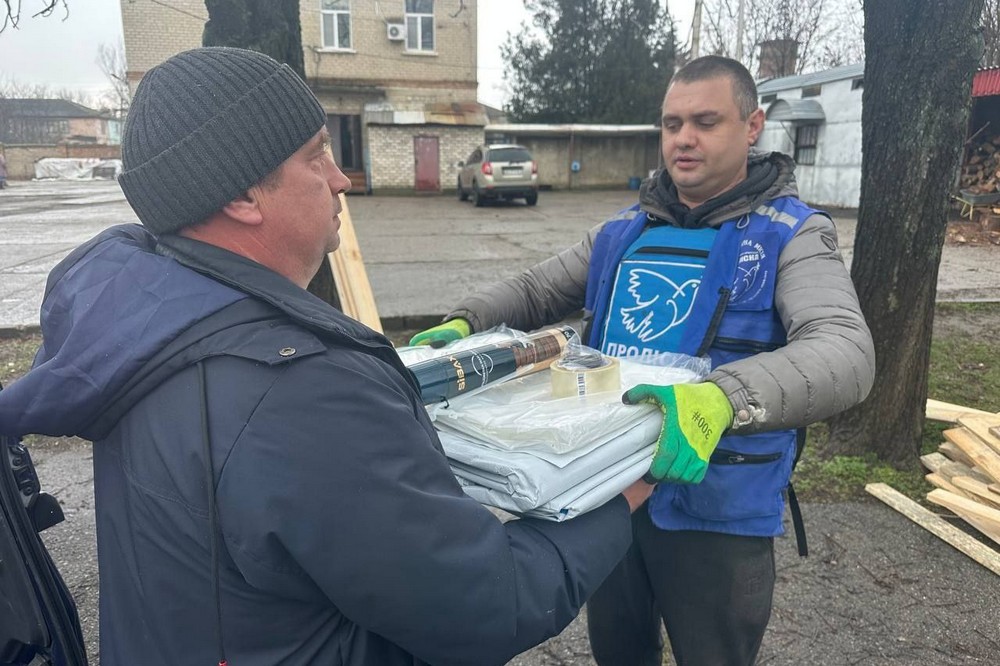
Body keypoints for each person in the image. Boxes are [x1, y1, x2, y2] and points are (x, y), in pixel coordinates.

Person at [0, 47, 655, 666]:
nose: (342, 179)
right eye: (316, 157)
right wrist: (628, 487)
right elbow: (491, 604)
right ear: (241, 197)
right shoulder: (301, 388)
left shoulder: (140, 332)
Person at [410, 55, 876, 665]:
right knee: (618, 653)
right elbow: (534, 291)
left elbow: (844, 350)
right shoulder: (622, 232)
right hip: (610, 493)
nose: (683, 139)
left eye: (705, 122)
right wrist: (463, 324)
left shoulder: (790, 234)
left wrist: (723, 397)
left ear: (753, 125)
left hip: (717, 509)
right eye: (672, 123)